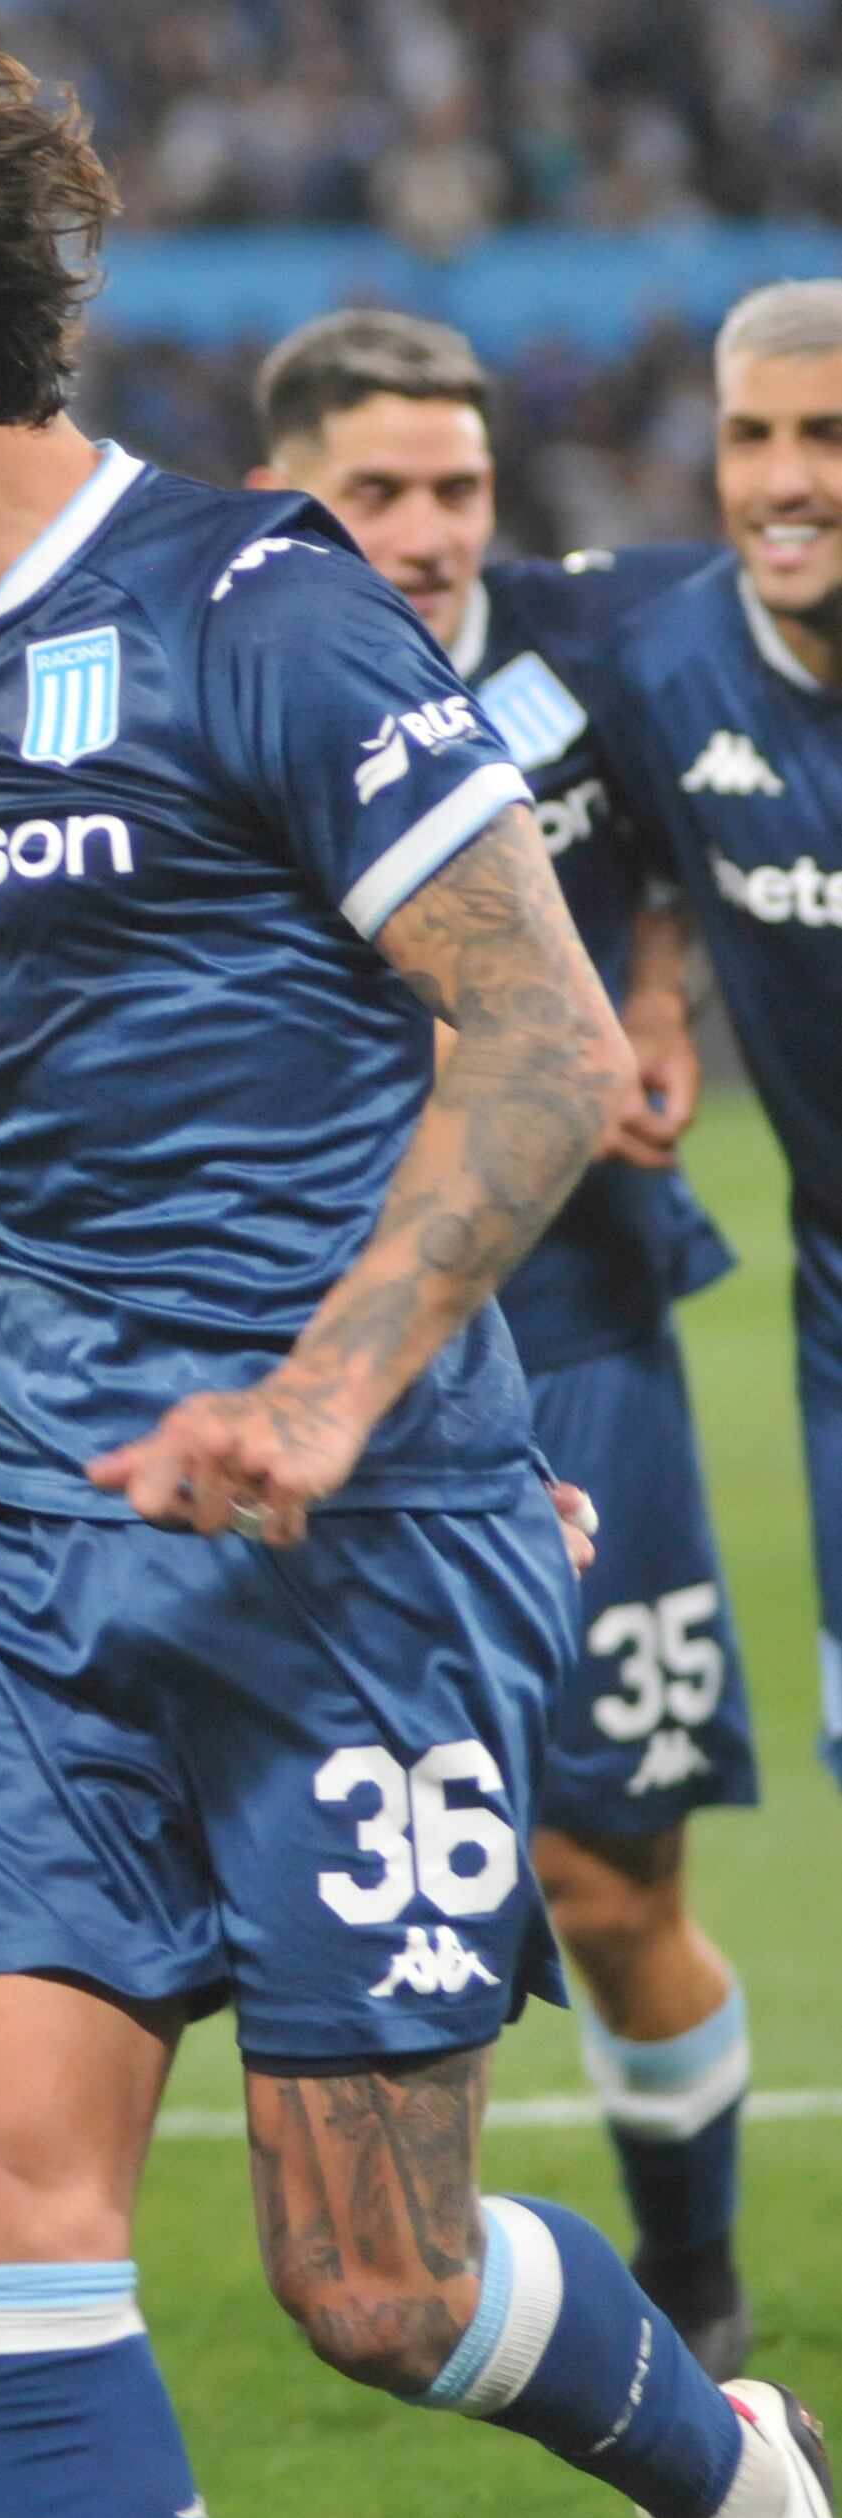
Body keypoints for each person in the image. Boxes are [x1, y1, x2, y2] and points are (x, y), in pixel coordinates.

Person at [0, 39, 829, 2518]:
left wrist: (348, 1406)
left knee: (373, 2287)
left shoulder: (255, 604)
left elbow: (533, 1040)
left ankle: (739, 2478)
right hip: (27, 1540)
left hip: (348, 1549)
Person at [248, 306, 766, 2378]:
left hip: (574, 1322)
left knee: (610, 1873)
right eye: (375, 492)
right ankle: (370, 2253)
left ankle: (695, 2284)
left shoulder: (591, 648)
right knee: (320, 1846)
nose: (428, 530)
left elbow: (697, 834)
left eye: (454, 487)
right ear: (287, 495)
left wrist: (657, 989)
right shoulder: (231, 661)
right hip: (331, 1359)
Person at [594, 278, 842, 1811]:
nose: (785, 479)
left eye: (828, 435)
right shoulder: (664, 657)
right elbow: (629, 829)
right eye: (751, 437)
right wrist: (657, 976)